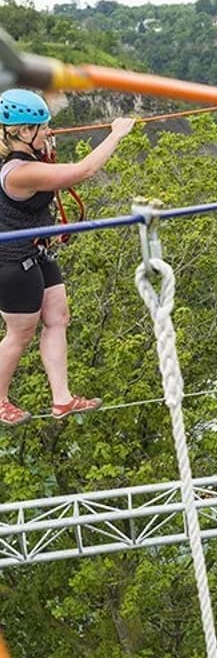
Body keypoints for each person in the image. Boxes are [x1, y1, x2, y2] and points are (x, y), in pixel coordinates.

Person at [0, 88, 135, 426]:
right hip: (11, 263)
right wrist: (116, 134)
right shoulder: (18, 172)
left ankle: (62, 399)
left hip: (36, 252)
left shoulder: (28, 160)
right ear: (23, 131)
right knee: (20, 334)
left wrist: (44, 149)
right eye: (43, 126)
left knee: (58, 317)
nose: (49, 130)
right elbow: (83, 171)